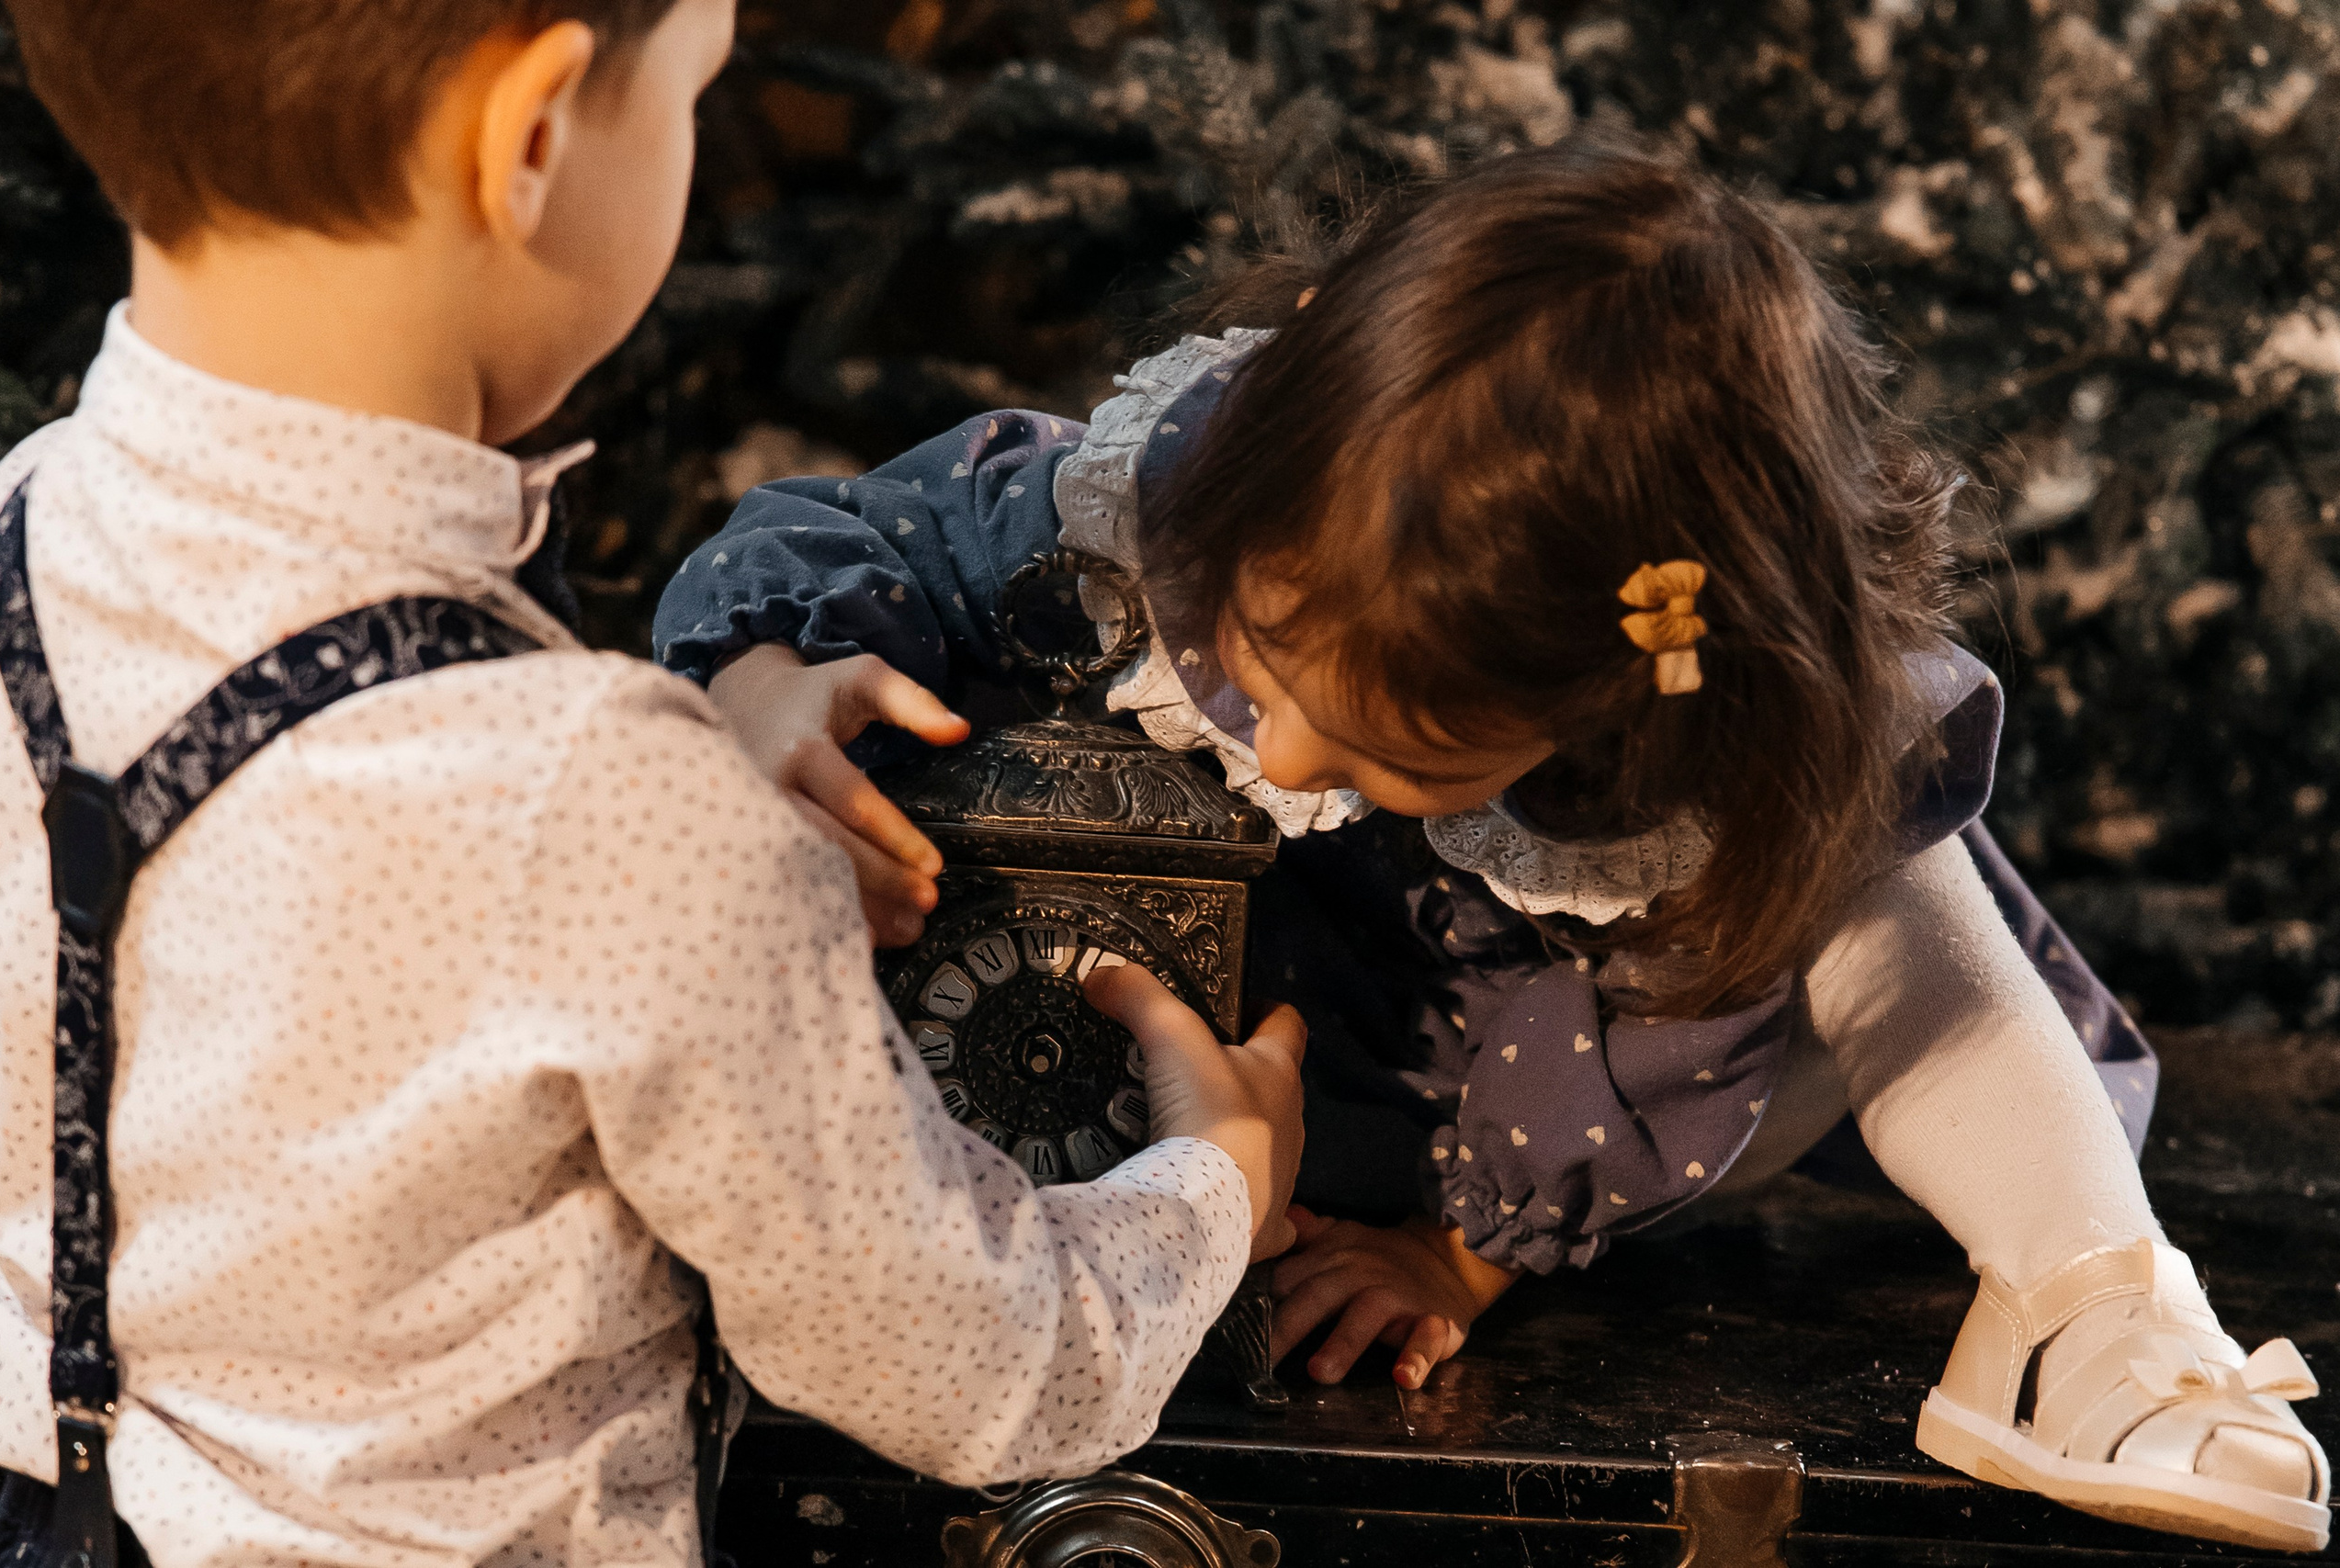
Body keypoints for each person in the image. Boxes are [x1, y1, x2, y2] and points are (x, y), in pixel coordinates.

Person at [656, 144, 2331, 1552]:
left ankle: (2091, 1294)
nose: (1290, 750)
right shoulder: (1208, 483)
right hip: (1285, 1041)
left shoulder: (1683, 739)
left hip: (1606, 1100)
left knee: (1872, 877)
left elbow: (1690, 1041)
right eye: (1264, 648)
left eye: (1386, 745)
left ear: (1603, 691)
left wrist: (1465, 1254)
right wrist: (760, 678)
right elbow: (859, 527)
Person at [0, 2, 1310, 1564]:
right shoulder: (597, 791)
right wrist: (1215, 1182)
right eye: (693, 85)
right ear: (537, 133)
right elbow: (967, 1360)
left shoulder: (13, 528)